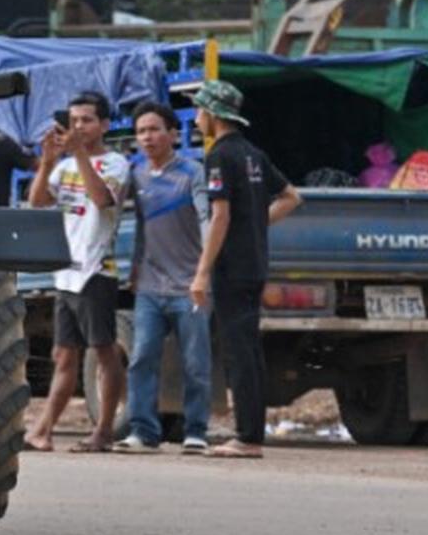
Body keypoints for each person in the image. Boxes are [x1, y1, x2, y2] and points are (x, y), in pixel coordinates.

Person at [188, 79, 304, 460]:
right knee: (249, 351)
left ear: (214, 115)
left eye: (200, 110)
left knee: (239, 353)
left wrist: (202, 271)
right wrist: (255, 222)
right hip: (254, 262)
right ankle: (250, 432)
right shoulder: (253, 153)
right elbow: (291, 197)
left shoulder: (219, 156)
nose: (197, 118)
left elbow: (220, 215)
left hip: (231, 267)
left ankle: (248, 437)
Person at [23, 91, 130, 453]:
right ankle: (42, 430)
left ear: (104, 125)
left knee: (104, 351)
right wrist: (47, 161)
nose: (78, 127)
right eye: (73, 121)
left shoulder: (115, 163)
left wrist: (79, 153)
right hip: (66, 273)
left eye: (86, 120)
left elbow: (102, 201)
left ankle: (103, 431)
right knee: (63, 355)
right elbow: (37, 202)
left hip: (96, 270)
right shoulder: (65, 166)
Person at [116, 102, 212, 455]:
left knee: (195, 361)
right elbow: (134, 223)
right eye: (141, 131)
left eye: (155, 129)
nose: (147, 137)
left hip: (190, 286)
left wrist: (203, 272)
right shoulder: (136, 175)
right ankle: (143, 431)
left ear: (174, 134)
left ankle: (196, 431)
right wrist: (134, 267)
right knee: (142, 357)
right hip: (150, 287)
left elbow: (207, 220)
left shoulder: (192, 172)